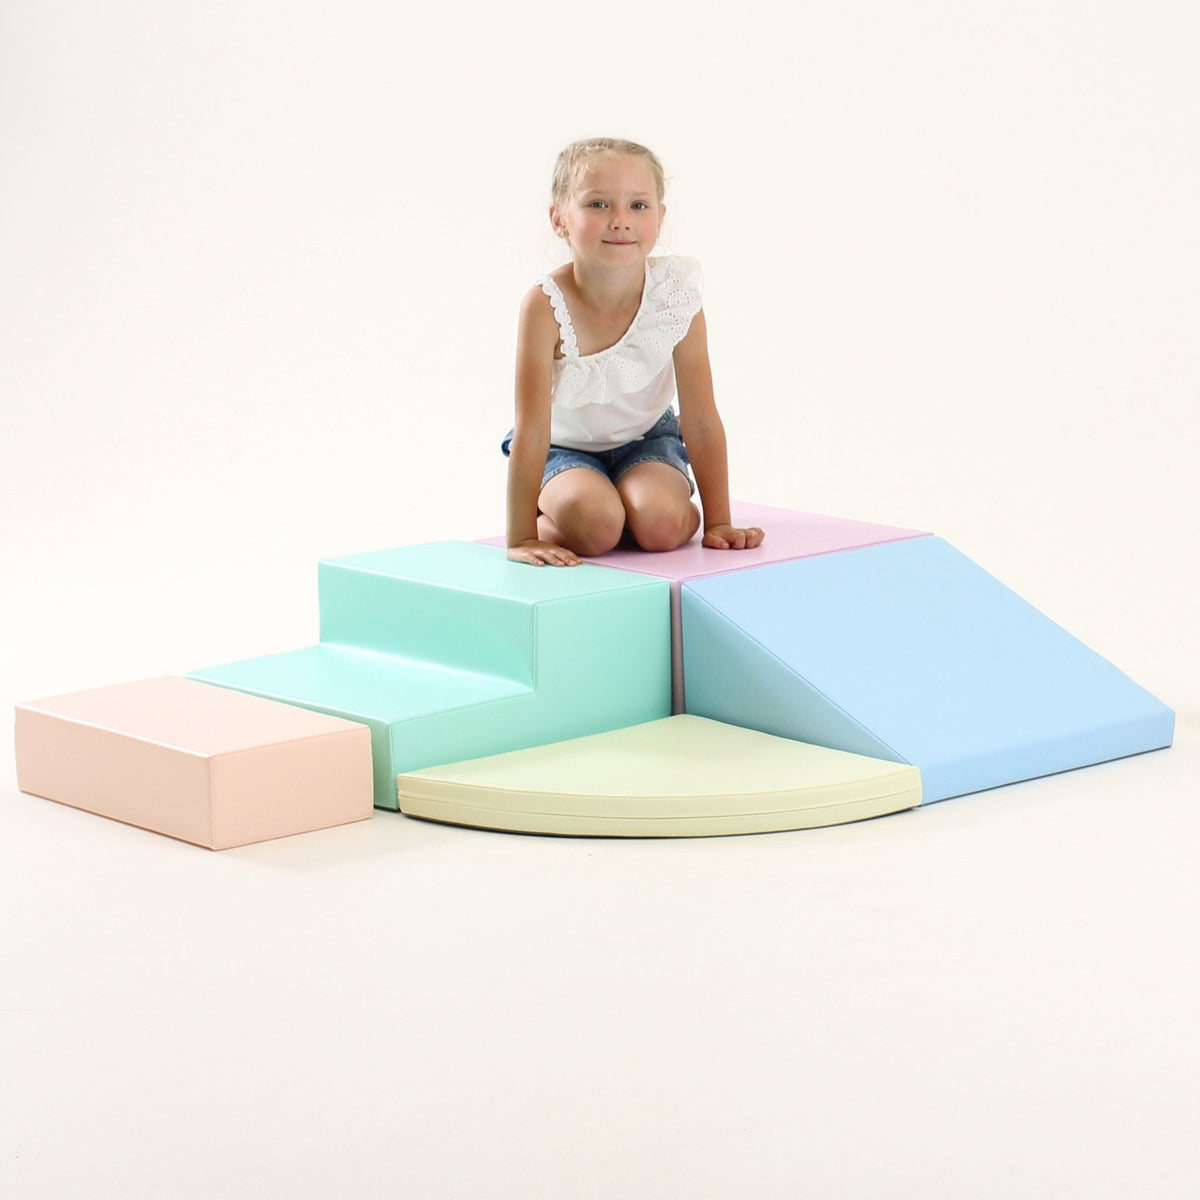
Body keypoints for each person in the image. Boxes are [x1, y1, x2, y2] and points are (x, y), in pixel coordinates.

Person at [503, 137, 765, 567]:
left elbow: (700, 417)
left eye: (638, 206)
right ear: (560, 219)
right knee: (595, 525)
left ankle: (634, 511)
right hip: (563, 448)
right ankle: (569, 513)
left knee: (662, 525)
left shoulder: (674, 296)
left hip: (646, 440)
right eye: (598, 205)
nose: (620, 221)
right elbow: (530, 429)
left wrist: (719, 522)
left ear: (660, 216)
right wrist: (521, 538)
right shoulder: (545, 305)